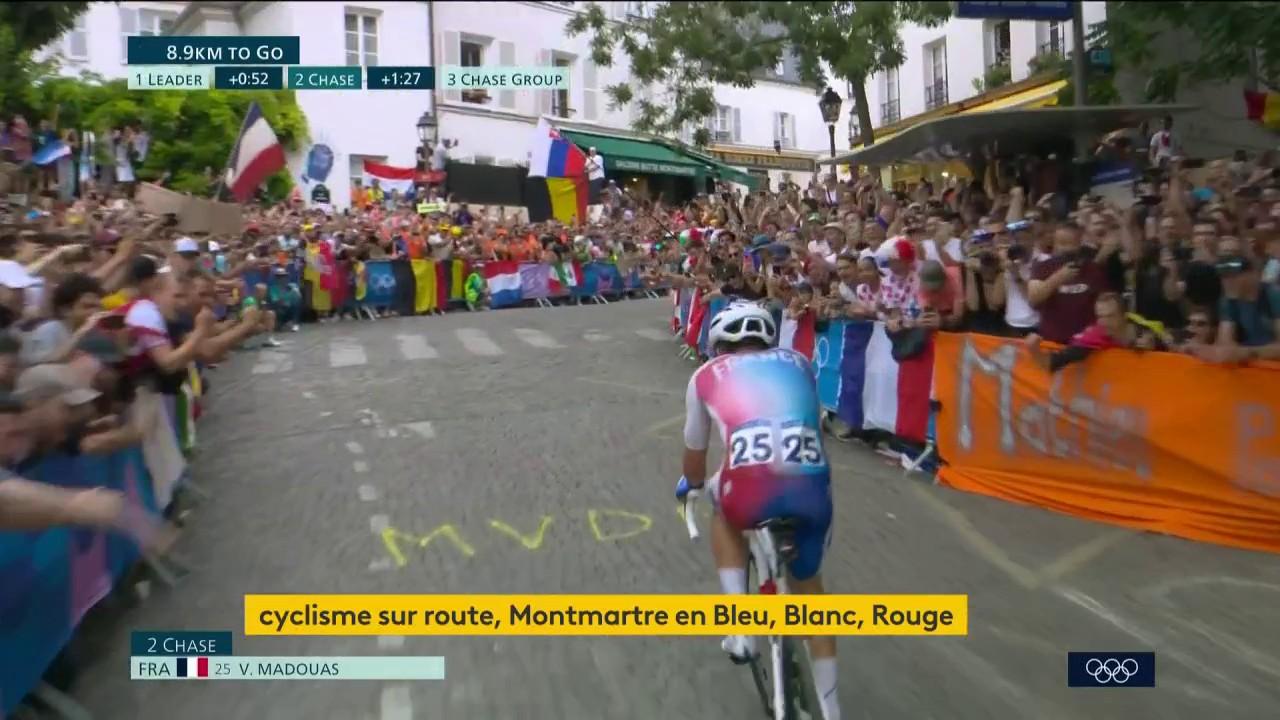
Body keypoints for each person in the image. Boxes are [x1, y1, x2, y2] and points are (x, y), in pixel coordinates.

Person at [675, 302, 840, 720]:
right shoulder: (800, 363)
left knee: (722, 511)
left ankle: (740, 625)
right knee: (813, 603)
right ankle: (832, 709)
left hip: (749, 489)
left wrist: (692, 487)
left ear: (718, 344)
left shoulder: (705, 375)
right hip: (811, 488)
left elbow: (694, 457)